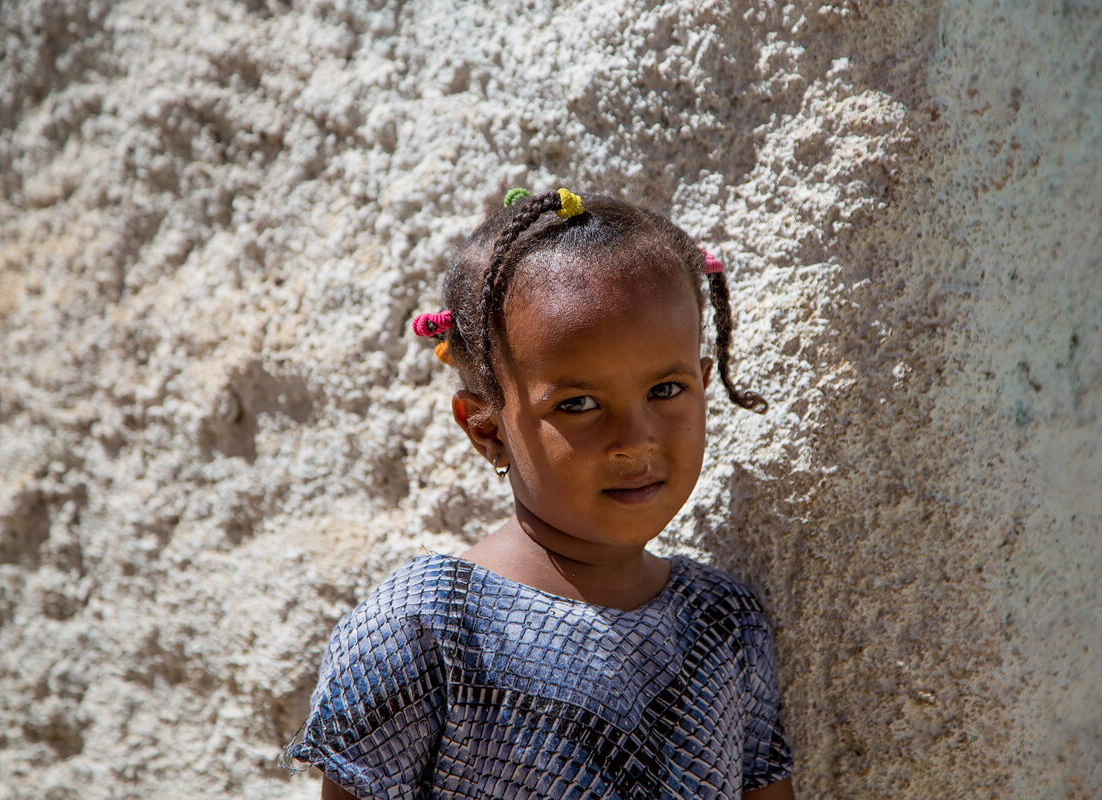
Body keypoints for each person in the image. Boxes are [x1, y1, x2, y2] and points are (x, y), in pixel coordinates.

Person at [282, 188, 795, 799]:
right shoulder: (428, 629)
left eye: (666, 390)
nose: (634, 441)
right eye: (578, 404)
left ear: (704, 384)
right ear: (487, 429)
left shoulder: (723, 625)